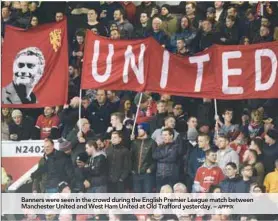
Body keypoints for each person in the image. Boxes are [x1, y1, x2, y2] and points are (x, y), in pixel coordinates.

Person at [131, 123, 157, 193]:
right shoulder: (134, 142)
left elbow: (155, 158)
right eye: (138, 129)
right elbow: (131, 157)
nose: (138, 130)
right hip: (136, 173)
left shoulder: (152, 142)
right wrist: (132, 169)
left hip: (147, 174)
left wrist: (150, 169)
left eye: (140, 129)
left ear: (145, 130)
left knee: (147, 195)